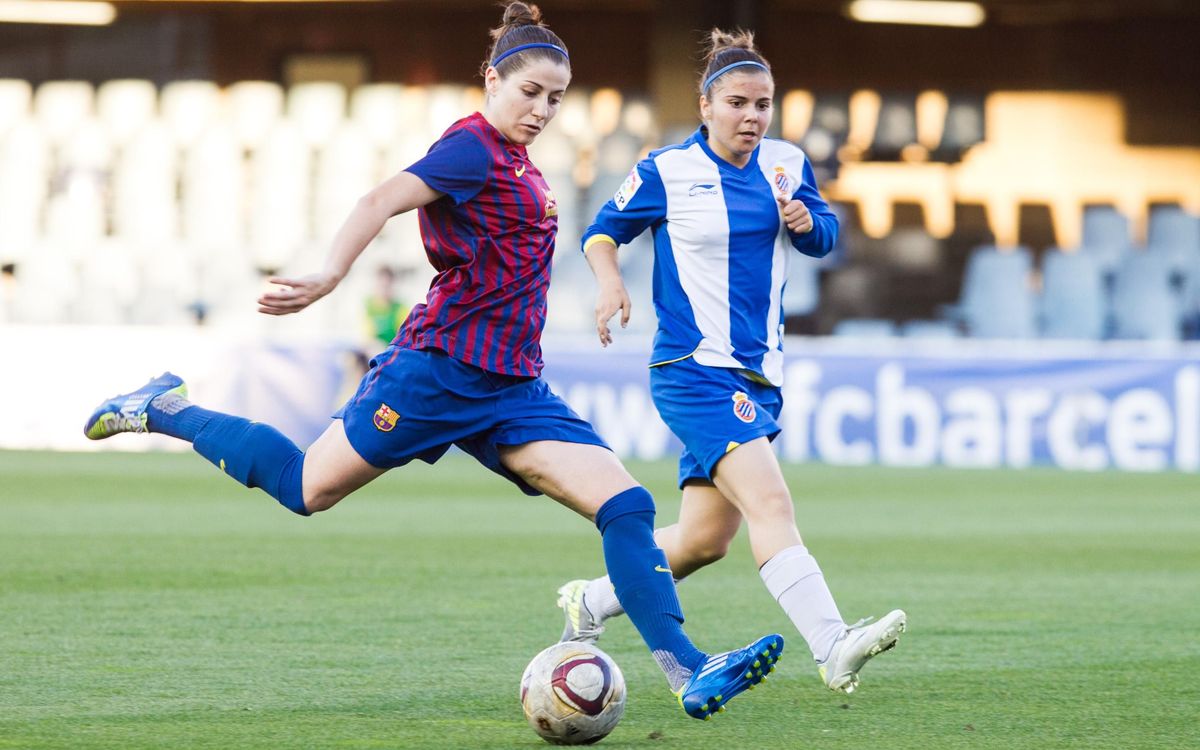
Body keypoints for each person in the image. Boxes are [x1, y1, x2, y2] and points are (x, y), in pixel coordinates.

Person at [82, 2, 782, 721]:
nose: (542, 109)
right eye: (529, 93)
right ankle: (164, 407)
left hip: (513, 387)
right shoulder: (472, 148)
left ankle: (690, 670)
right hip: (437, 373)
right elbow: (381, 198)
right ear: (492, 80)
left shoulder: (520, 164)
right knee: (305, 487)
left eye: (555, 98)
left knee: (627, 506)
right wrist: (329, 274)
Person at [556, 28, 906, 695]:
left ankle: (591, 601)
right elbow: (602, 231)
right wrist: (610, 280)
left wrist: (807, 221)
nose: (753, 116)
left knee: (702, 540)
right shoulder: (665, 170)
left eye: (764, 104)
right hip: (693, 369)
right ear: (706, 104)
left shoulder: (787, 162)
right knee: (772, 500)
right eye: (739, 103)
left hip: (759, 372)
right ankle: (830, 643)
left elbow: (827, 234)